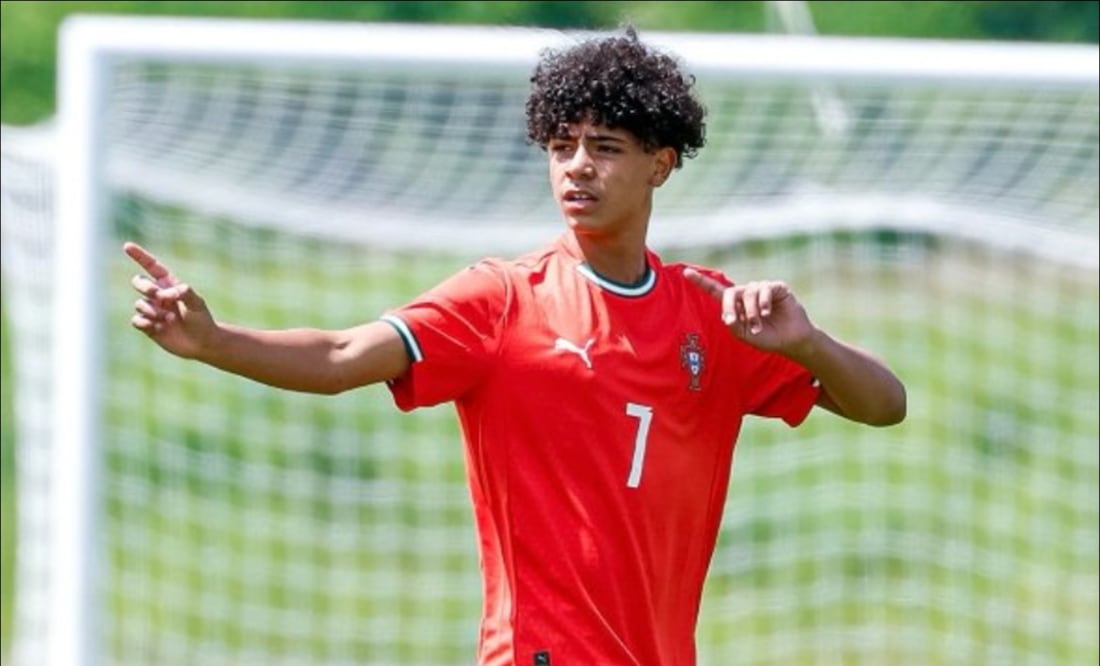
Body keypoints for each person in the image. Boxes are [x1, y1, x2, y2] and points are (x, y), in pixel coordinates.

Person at [126, 26, 906, 666]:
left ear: (660, 164)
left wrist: (808, 343)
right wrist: (213, 340)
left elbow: (884, 405)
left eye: (604, 147)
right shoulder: (502, 300)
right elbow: (339, 356)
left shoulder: (709, 312)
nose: (576, 167)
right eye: (561, 145)